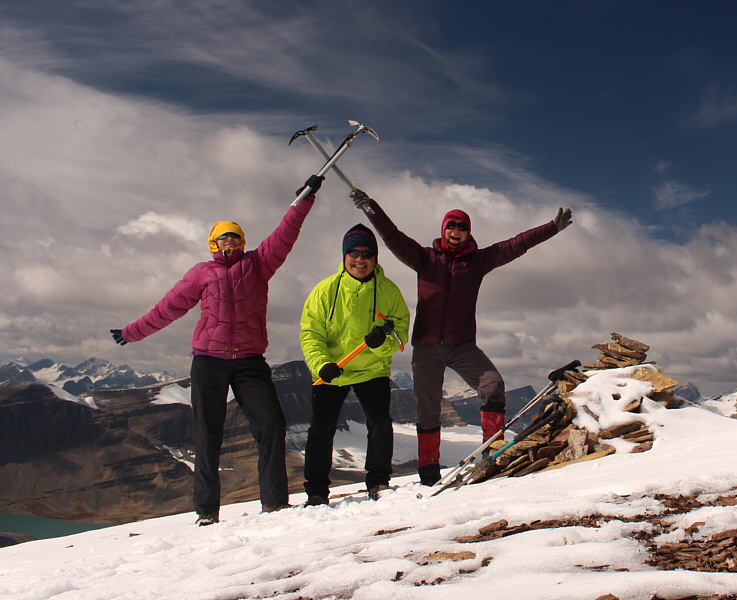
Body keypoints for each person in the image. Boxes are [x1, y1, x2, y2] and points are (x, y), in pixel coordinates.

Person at [111, 174, 324, 525]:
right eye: (223, 236)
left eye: (236, 236)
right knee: (207, 434)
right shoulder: (201, 273)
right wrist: (132, 332)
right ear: (213, 242)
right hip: (209, 361)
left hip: (250, 361)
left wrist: (305, 198)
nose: (230, 241)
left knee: (271, 425)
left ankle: (274, 504)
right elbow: (167, 309)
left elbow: (285, 234)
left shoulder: (258, 264)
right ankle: (207, 511)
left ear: (243, 241)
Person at [349, 188, 572, 486]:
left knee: (493, 385)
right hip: (427, 346)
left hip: (462, 345)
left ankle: (491, 455)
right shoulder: (424, 258)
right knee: (427, 410)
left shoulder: (478, 261)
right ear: (443, 230)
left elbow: (516, 245)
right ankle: (429, 473)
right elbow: (392, 236)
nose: (456, 231)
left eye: (462, 227)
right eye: (451, 226)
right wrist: (370, 208)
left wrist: (551, 228)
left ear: (469, 233)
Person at [299, 224, 410, 505]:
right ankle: (315, 492)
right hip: (333, 370)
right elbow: (311, 332)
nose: (360, 259)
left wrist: (380, 343)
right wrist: (321, 363)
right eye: (354, 252)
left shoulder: (389, 291)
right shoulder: (325, 291)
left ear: (375, 258)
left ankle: (378, 481)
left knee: (380, 423)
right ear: (344, 255)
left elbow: (400, 333)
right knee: (321, 430)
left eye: (367, 253)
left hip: (371, 368)